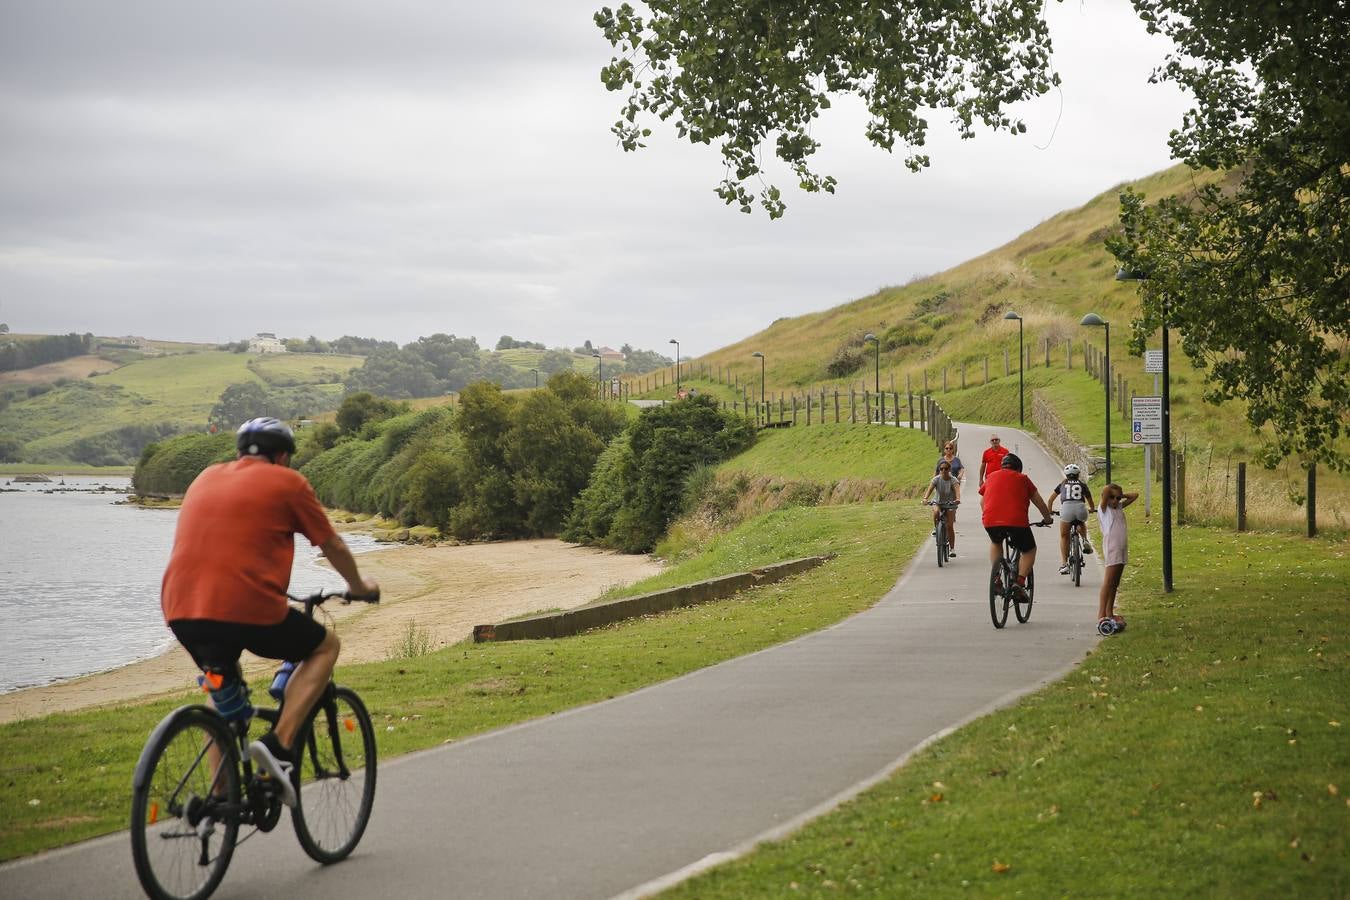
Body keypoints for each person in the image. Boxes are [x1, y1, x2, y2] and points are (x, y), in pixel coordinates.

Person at [160, 417, 379, 807]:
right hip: (247, 607)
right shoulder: (287, 482)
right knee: (325, 647)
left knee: (222, 688)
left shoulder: (205, 477)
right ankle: (279, 745)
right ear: (282, 456)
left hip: (182, 609)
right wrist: (359, 587)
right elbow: (332, 545)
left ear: (241, 452)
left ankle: (221, 800)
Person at [979, 453, 1053, 601]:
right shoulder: (1023, 479)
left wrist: (991, 516)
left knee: (996, 542)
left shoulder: (991, 477)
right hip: (1017, 522)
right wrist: (1047, 518)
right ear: (1018, 468)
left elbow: (982, 502)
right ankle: (1019, 583)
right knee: (1029, 549)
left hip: (991, 520)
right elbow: (1039, 502)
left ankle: (997, 578)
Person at [1096, 482, 1139, 633]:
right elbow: (1106, 490)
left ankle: (1110, 612)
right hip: (1112, 548)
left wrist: (1121, 495)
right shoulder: (1103, 510)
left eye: (1118, 498)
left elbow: (1135, 495)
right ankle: (1101, 614)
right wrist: (1109, 493)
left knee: (1115, 583)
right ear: (1106, 498)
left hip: (1121, 548)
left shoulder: (1118, 508)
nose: (1115, 501)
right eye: (1112, 498)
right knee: (1108, 582)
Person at [1046, 463, 1096, 574]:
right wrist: (1092, 509)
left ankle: (1064, 564)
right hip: (1080, 508)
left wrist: (1050, 512)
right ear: (1078, 474)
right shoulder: (1082, 484)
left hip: (1067, 509)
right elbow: (1089, 499)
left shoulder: (1062, 484)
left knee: (1064, 536)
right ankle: (1084, 539)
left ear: (1066, 475)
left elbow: (1050, 500)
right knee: (1081, 522)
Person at [922, 459, 962, 557]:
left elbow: (957, 491)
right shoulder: (936, 479)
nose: (943, 470)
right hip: (938, 502)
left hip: (950, 503)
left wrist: (957, 499)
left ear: (949, 469)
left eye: (946, 468)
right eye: (941, 468)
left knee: (949, 526)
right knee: (936, 512)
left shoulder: (953, 480)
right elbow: (929, 490)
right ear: (939, 469)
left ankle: (952, 549)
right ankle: (936, 528)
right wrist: (925, 498)